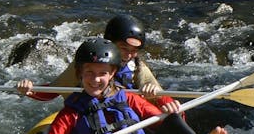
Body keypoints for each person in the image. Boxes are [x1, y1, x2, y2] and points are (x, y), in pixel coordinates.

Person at [20, 38, 228, 134]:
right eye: (89, 73)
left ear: (112, 74)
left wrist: (169, 108)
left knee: (168, 119)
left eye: (102, 73)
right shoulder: (71, 113)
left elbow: (168, 126)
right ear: (80, 74)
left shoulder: (130, 99)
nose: (95, 79)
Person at [17, 14, 173, 108]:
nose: (128, 55)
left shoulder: (137, 67)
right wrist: (30, 90)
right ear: (110, 43)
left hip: (125, 118)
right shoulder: (87, 64)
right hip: (86, 116)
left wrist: (159, 98)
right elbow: (52, 91)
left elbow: (162, 98)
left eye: (134, 51)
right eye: (124, 48)